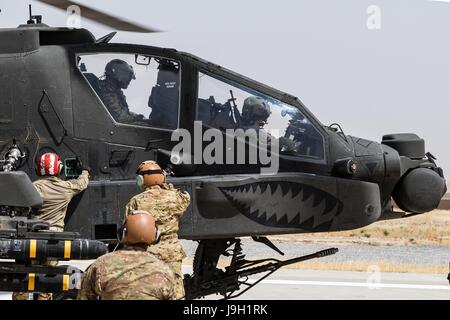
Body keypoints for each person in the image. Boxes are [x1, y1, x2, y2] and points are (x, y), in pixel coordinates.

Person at [12, 152, 90, 300]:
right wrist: (85, 171)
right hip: (53, 241)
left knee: (23, 277)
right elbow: (81, 183)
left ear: (38, 170)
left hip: (31, 240)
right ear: (59, 169)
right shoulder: (66, 188)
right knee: (47, 279)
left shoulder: (32, 188)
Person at [125, 160, 190, 299]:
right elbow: (185, 197)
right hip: (172, 254)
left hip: (148, 254)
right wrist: (165, 183)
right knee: (175, 293)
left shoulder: (136, 201)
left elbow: (128, 227)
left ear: (141, 179)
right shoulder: (175, 197)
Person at [78, 212, 176, 300]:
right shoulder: (164, 270)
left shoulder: (101, 265)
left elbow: (84, 296)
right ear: (156, 236)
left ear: (122, 233)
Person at [97, 59, 145, 123]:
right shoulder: (107, 91)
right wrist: (138, 119)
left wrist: (137, 116)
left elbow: (122, 112)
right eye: (127, 75)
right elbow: (120, 118)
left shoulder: (114, 90)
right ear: (118, 74)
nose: (129, 80)